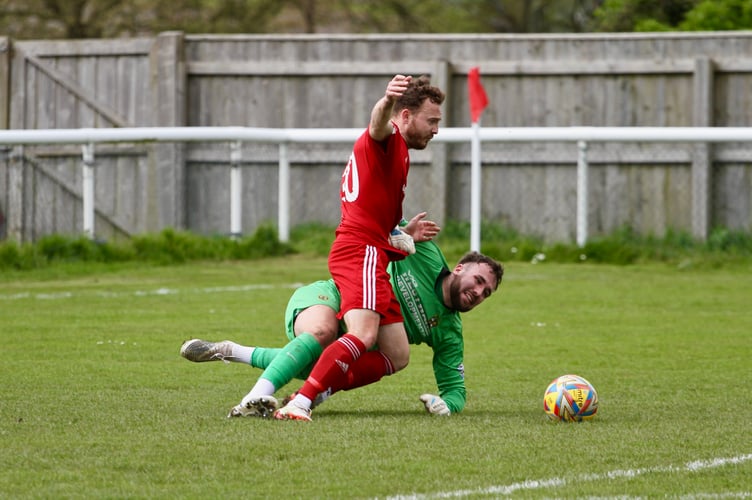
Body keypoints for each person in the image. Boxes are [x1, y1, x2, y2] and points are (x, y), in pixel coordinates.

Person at [180, 230, 504, 419]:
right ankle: (254, 398)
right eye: (478, 281)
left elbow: (456, 390)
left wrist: (445, 405)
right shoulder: (427, 254)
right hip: (331, 295)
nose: (478, 293)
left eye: (486, 293)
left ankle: (229, 351)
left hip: (354, 341)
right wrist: (402, 234)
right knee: (322, 334)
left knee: (328, 364)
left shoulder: (449, 331)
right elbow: (376, 224)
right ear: (460, 268)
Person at [272, 74, 446, 421]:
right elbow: (377, 124)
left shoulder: (399, 151)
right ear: (406, 115)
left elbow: (372, 207)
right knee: (363, 335)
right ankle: (301, 400)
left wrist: (401, 232)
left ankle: (314, 387)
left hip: (372, 250)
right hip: (361, 250)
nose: (436, 130)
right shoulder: (390, 137)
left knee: (397, 354)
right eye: (432, 121)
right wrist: (385, 101)